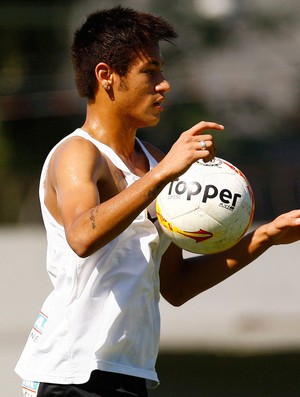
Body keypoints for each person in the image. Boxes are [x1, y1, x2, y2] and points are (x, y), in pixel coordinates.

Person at [15, 6, 300, 397]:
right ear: (106, 76)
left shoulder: (152, 162)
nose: (164, 85)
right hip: (73, 370)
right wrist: (163, 173)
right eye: (150, 72)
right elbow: (81, 236)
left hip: (131, 370)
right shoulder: (79, 154)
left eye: (162, 71)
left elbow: (176, 286)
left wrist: (264, 237)